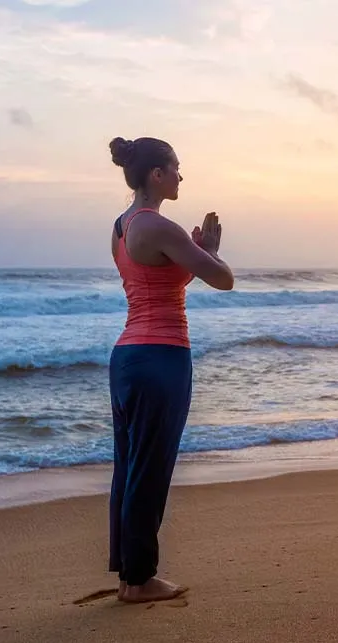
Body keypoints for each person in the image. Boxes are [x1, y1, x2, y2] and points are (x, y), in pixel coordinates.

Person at [107, 136, 235, 603]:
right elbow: (223, 279)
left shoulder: (122, 226)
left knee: (130, 468)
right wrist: (210, 252)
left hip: (127, 358)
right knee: (151, 470)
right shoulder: (159, 226)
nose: (181, 176)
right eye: (176, 168)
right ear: (156, 175)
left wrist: (191, 253)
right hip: (161, 356)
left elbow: (156, 279)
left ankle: (129, 574)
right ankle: (140, 581)